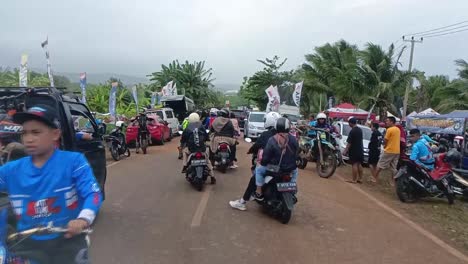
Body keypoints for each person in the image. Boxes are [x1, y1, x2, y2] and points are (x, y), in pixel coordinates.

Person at [0, 104, 102, 263]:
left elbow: (92, 193)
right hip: (26, 243)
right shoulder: (10, 170)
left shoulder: (74, 162)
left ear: (55, 134)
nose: (28, 139)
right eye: (24, 133)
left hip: (67, 239)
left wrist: (83, 220)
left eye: (36, 132)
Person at [229, 112, 281, 211]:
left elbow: (257, 145)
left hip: (270, 166)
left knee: (255, 178)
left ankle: (243, 201)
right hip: (283, 166)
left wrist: (250, 151)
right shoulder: (284, 135)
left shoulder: (266, 134)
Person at [254, 117, 299, 200]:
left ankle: (259, 192)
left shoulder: (272, 139)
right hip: (290, 168)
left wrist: (263, 163)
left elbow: (266, 156)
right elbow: (296, 154)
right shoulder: (293, 139)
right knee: (295, 171)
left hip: (275, 169)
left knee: (259, 170)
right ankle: (292, 189)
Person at [180, 113, 215, 182]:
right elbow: (206, 137)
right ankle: (212, 176)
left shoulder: (187, 128)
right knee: (207, 161)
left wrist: (182, 144)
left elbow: (183, 139)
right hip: (202, 149)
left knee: (184, 151)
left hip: (191, 149)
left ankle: (184, 165)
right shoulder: (201, 126)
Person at [374, 116, 401, 183]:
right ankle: (393, 181)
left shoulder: (389, 129)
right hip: (397, 151)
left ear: (392, 122)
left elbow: (385, 140)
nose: (386, 122)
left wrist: (385, 146)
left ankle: (374, 178)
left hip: (389, 150)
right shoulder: (398, 129)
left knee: (380, 164)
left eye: (387, 121)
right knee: (393, 168)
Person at [343, 117, 364, 183]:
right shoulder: (360, 130)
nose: (348, 124)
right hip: (360, 149)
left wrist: (345, 150)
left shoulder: (352, 131)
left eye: (349, 123)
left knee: (354, 164)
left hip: (354, 150)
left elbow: (349, 143)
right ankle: (360, 179)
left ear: (351, 123)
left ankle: (354, 180)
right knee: (359, 164)